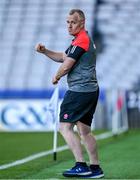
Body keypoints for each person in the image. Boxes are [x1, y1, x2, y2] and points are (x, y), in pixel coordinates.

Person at [35, 9, 104, 179]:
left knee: (64, 127)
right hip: (90, 90)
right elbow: (63, 57)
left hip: (79, 91)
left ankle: (81, 165)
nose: (69, 25)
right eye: (67, 22)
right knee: (85, 131)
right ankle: (95, 168)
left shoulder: (81, 40)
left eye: (73, 22)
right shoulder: (80, 40)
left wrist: (56, 76)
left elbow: (66, 65)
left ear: (82, 23)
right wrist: (45, 51)